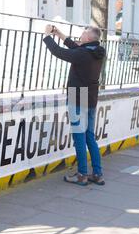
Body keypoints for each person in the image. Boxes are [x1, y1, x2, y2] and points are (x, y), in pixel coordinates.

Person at [43, 24, 106, 186]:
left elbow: (59, 53)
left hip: (78, 97)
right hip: (91, 97)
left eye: (84, 33)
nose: (81, 34)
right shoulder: (97, 51)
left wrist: (47, 36)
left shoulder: (83, 54)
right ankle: (97, 174)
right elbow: (75, 48)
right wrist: (59, 34)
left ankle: (82, 174)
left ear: (89, 38)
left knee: (79, 137)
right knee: (89, 137)